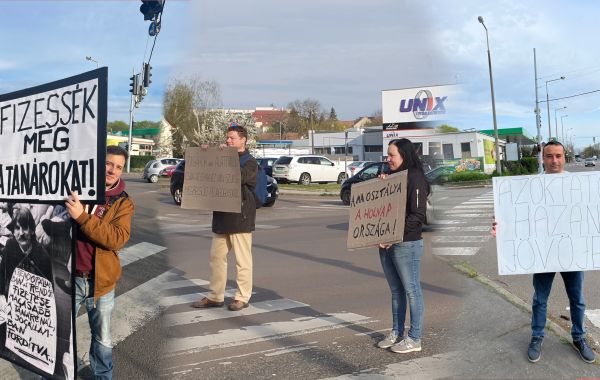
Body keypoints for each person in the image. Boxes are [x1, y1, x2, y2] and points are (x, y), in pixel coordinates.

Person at [491, 140, 595, 364]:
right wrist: (501, 226)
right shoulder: (529, 185)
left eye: (558, 156)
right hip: (542, 253)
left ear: (564, 157)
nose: (554, 161)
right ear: (542, 158)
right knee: (540, 299)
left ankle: (579, 337)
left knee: (577, 299)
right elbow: (516, 215)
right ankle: (537, 336)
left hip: (572, 252)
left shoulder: (577, 183)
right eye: (549, 156)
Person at [64, 145, 134, 379]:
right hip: (68, 279)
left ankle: (102, 376)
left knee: (102, 340)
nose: (112, 170)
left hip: (100, 284)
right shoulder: (74, 188)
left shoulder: (123, 203)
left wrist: (82, 217)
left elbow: (116, 239)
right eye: (108, 163)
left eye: (118, 167)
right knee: (60, 334)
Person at [192, 124, 258, 311]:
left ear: (243, 140)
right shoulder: (224, 157)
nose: (228, 140)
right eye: (227, 137)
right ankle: (215, 296)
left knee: (242, 261)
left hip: (241, 216)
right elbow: (206, 172)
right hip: (222, 215)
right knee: (216, 257)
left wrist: (224, 158)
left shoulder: (250, 162)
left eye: (232, 138)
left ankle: (242, 297)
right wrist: (205, 154)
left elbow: (238, 176)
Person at [376, 138, 429, 353]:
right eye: (387, 155)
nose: (387, 159)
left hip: (407, 243)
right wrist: (380, 186)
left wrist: (393, 235)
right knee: (396, 291)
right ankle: (397, 332)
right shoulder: (392, 177)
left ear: (404, 156)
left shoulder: (415, 178)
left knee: (412, 290)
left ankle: (414, 338)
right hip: (387, 243)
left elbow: (417, 215)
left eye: (392, 156)